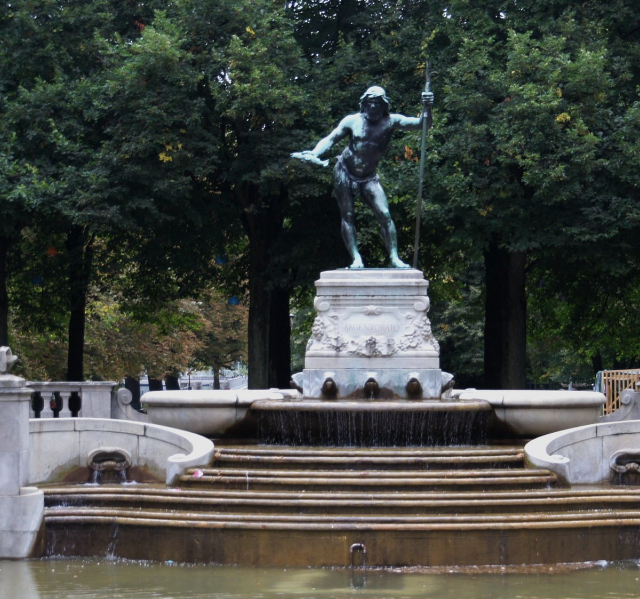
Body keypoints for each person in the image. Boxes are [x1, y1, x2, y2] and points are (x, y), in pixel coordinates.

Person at [293, 86, 433, 268]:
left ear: (384, 105)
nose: (373, 106)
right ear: (365, 104)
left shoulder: (391, 121)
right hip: (344, 171)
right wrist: (315, 153)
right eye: (370, 102)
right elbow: (331, 138)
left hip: (368, 177)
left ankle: (394, 257)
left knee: (384, 214)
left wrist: (427, 107)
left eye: (377, 103)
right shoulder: (352, 121)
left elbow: (422, 124)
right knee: (348, 215)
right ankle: (356, 258)